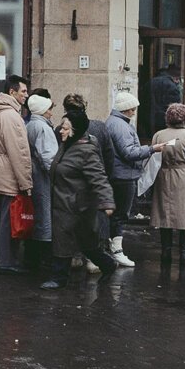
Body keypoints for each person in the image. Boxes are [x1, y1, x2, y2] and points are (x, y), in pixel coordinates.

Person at [39, 110, 118, 290]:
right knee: (80, 242)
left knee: (76, 241)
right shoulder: (67, 145)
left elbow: (99, 178)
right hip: (64, 203)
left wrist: (107, 201)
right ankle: (107, 264)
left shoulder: (86, 151)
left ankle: (59, 278)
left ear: (75, 130)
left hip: (77, 206)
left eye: (65, 128)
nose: (61, 131)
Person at [105, 92, 165, 267]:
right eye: (134, 108)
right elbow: (129, 152)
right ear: (128, 108)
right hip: (123, 176)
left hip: (119, 174)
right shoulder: (121, 126)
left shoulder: (115, 122)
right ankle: (116, 250)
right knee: (121, 214)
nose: (135, 111)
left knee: (116, 214)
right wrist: (152, 149)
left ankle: (111, 248)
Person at [61, 93, 115, 273]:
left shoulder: (60, 129)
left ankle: (75, 256)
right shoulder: (99, 127)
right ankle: (96, 257)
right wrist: (106, 175)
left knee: (73, 220)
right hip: (94, 180)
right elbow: (109, 154)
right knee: (96, 219)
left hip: (70, 183)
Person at [0, 74, 33, 274]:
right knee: (9, 221)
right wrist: (26, 183)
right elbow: (19, 152)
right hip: (10, 174)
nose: (26, 95)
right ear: (12, 92)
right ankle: (6, 261)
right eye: (23, 91)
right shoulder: (12, 116)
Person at [150, 103, 185, 265]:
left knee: (164, 214)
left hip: (165, 174)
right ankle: (184, 251)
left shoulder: (159, 135)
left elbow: (153, 158)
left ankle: (166, 251)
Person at [24, 94, 58, 270]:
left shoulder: (31, 124)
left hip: (35, 174)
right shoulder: (42, 128)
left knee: (39, 213)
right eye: (49, 109)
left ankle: (33, 255)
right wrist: (58, 175)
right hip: (43, 177)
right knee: (44, 215)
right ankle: (43, 258)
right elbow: (49, 157)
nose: (52, 113)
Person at [149, 64, 182, 133]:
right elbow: (174, 106)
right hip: (164, 120)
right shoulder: (171, 85)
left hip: (149, 118)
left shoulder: (150, 82)